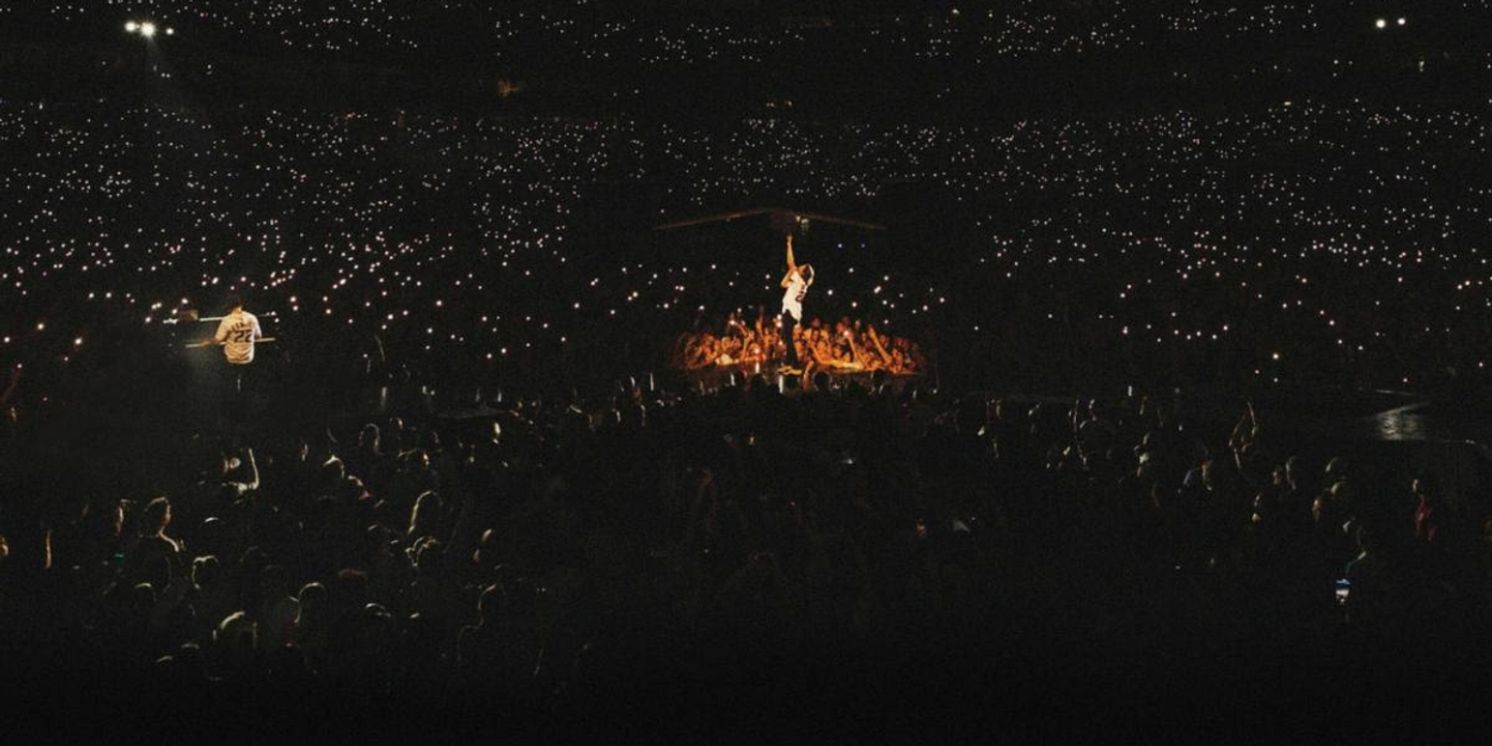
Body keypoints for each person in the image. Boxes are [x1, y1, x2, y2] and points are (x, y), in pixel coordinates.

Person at [778, 233, 813, 374]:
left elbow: (790, 262)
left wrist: (789, 244)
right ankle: (789, 364)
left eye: (802, 267)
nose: (799, 266)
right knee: (787, 338)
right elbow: (783, 284)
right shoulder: (803, 283)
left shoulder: (799, 279)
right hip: (794, 311)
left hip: (790, 311)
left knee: (788, 338)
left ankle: (796, 366)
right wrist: (791, 272)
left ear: (803, 272)